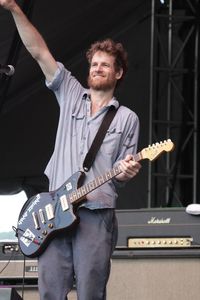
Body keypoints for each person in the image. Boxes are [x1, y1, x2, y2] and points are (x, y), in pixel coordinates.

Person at [0, 1, 141, 299]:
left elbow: (122, 174)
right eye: (94, 64)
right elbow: (38, 51)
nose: (97, 68)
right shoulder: (72, 94)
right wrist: (14, 8)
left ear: (118, 73)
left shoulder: (128, 118)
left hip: (95, 214)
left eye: (105, 65)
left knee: (91, 291)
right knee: (50, 291)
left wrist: (129, 170)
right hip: (52, 212)